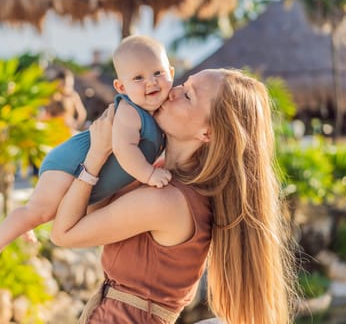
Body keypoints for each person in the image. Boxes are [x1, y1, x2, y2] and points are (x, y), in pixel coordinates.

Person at [50, 69, 297, 324]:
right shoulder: (156, 173)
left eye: (187, 96)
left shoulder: (167, 201)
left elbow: (63, 233)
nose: (170, 93)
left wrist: (96, 155)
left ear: (208, 133)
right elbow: (91, 211)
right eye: (182, 84)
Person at [0, 35, 174, 277]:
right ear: (121, 88)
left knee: (45, 210)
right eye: (138, 78)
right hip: (69, 162)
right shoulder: (130, 112)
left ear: (171, 72)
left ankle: (27, 220)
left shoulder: (161, 110)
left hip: (81, 166)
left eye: (158, 73)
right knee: (41, 211)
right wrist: (149, 174)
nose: (151, 82)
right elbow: (124, 150)